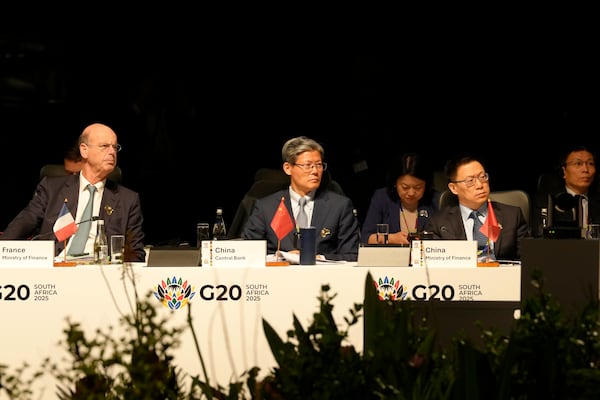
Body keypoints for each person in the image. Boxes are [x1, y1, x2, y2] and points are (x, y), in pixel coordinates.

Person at [1, 122, 146, 262]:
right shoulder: (51, 189)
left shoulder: (128, 200)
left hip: (100, 273)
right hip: (55, 268)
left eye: (115, 147)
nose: (112, 152)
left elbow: (136, 254)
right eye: (104, 146)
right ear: (84, 150)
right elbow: (22, 225)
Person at [242, 136, 359, 261]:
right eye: (308, 165)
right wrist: (280, 257)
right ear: (288, 168)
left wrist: (317, 258)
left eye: (319, 165)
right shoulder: (266, 207)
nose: (315, 171)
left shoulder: (339, 206)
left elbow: (352, 254)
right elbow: (247, 252)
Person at [423, 154, 529, 261]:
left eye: (482, 177)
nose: (479, 185)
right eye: (470, 181)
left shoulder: (512, 216)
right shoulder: (439, 223)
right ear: (454, 188)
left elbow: (528, 259)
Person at [361, 153, 439, 245]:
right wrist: (389, 239)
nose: (411, 193)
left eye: (418, 187)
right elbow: (365, 237)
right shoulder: (382, 198)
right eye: (405, 187)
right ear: (395, 183)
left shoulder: (436, 200)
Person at [533, 144, 600, 237]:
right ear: (564, 171)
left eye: (590, 163)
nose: (585, 169)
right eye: (578, 163)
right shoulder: (545, 203)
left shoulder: (597, 201)